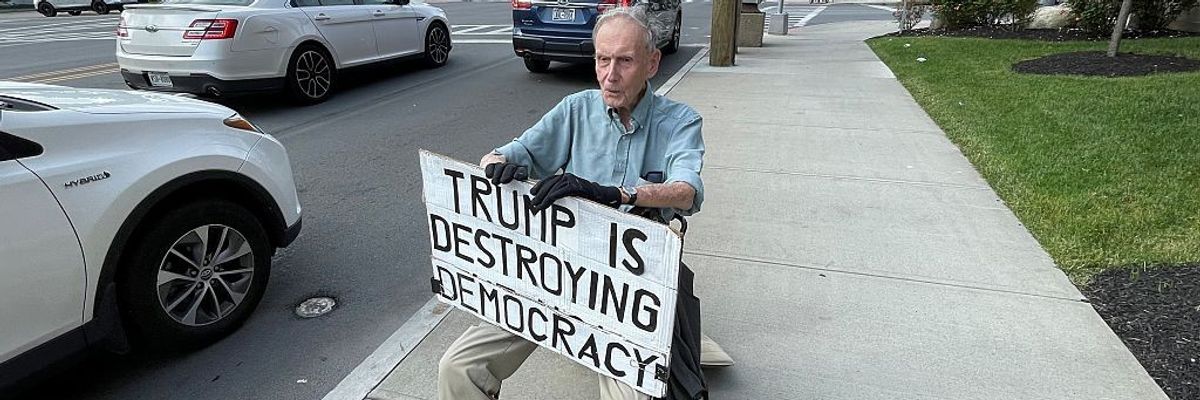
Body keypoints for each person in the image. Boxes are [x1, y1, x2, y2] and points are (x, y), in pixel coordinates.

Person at [437, 6, 724, 400]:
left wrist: (619, 194)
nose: (610, 74)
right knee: (457, 368)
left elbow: (687, 190)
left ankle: (670, 333)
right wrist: (496, 166)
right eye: (602, 59)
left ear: (652, 62)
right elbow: (506, 153)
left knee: (632, 396)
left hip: (628, 283)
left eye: (624, 60)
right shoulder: (576, 109)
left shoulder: (679, 122)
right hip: (559, 269)